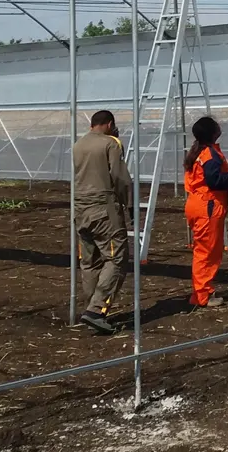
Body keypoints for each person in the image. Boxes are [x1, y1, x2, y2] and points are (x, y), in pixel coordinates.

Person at [73, 109, 132, 335]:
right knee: (116, 257)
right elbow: (119, 177)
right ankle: (96, 311)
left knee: (90, 261)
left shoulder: (78, 145)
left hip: (80, 210)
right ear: (109, 124)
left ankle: (92, 307)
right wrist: (130, 204)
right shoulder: (110, 143)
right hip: (103, 209)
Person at [184, 115, 228, 309]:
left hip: (199, 204)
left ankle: (201, 292)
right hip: (207, 206)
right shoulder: (209, 155)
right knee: (207, 252)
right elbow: (214, 181)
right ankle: (202, 295)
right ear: (212, 132)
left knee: (206, 250)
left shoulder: (200, 153)